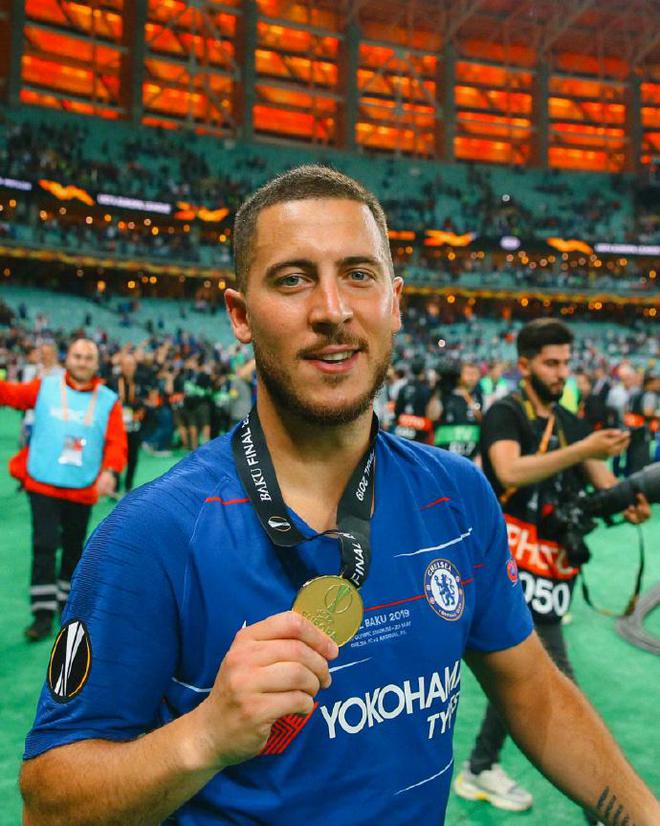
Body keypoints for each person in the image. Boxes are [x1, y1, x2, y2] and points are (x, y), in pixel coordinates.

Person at [20, 169, 659, 826]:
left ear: (395, 302)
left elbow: (533, 690)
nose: (332, 309)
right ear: (240, 315)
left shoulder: (458, 494)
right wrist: (203, 737)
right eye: (292, 279)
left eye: (358, 274)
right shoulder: (151, 534)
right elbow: (48, 805)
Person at [453, 319, 651, 823]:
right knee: (554, 687)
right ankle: (606, 807)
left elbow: (604, 484)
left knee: (524, 676)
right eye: (551, 363)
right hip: (509, 571)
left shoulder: (570, 422)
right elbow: (509, 470)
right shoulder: (506, 412)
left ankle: (480, 766)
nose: (561, 373)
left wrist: (631, 500)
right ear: (524, 365)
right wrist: (584, 450)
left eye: (566, 363)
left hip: (551, 574)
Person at [0, 338, 127, 641]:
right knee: (44, 546)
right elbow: (11, 394)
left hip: (81, 488)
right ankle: (42, 614)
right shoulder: (44, 387)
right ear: (67, 359)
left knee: (73, 550)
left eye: (88, 357)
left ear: (96, 363)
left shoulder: (108, 400)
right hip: (43, 483)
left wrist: (110, 471)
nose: (82, 362)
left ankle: (66, 608)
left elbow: (116, 441)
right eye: (77, 356)